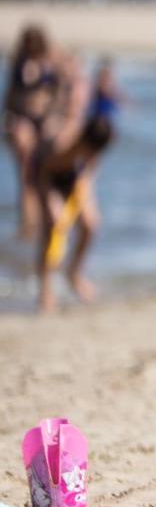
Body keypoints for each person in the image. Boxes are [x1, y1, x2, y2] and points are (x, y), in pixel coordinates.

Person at [33, 107, 113, 314]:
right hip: (46, 177)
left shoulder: (94, 144)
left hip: (73, 177)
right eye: (91, 151)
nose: (94, 155)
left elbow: (91, 166)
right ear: (83, 142)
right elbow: (41, 174)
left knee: (91, 225)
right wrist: (50, 204)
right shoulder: (60, 144)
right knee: (53, 226)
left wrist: (84, 183)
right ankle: (45, 290)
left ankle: (74, 274)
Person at [3, 25, 66, 237]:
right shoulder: (20, 62)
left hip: (44, 122)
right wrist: (10, 119)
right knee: (25, 175)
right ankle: (27, 225)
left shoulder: (51, 60)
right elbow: (10, 96)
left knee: (42, 175)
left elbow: (62, 91)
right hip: (22, 121)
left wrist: (55, 116)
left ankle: (39, 224)